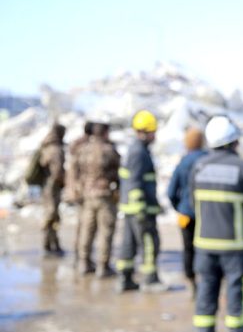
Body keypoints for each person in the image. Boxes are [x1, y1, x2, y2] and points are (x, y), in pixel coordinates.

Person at [190, 116, 243, 332]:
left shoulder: (198, 167)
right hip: (236, 245)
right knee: (236, 289)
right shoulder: (242, 168)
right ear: (233, 142)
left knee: (206, 287)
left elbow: (193, 204)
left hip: (204, 244)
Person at [116, 110, 166, 293]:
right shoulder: (139, 152)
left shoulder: (135, 149)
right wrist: (142, 209)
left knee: (129, 243)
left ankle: (126, 279)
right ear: (144, 132)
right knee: (149, 243)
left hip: (131, 208)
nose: (155, 135)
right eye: (152, 132)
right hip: (140, 209)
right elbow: (135, 182)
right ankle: (151, 280)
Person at [75, 121, 120, 277]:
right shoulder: (109, 150)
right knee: (105, 231)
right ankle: (103, 265)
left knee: (87, 230)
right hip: (104, 195)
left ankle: (84, 262)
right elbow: (118, 172)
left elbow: (76, 170)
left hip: (87, 195)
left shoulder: (83, 150)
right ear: (105, 133)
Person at [167, 127, 208, 298]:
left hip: (185, 214)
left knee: (188, 248)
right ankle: (207, 280)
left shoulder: (183, 162)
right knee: (204, 248)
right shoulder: (207, 160)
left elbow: (171, 191)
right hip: (205, 213)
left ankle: (191, 281)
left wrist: (180, 207)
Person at [65, 120, 93, 267]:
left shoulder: (77, 144)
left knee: (82, 225)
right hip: (84, 190)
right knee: (86, 225)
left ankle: (80, 255)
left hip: (78, 188)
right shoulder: (86, 146)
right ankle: (82, 258)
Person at [39, 123, 67, 257]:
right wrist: (63, 182)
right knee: (52, 215)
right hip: (52, 187)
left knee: (51, 215)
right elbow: (57, 172)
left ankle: (52, 243)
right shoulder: (56, 149)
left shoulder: (45, 147)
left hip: (46, 186)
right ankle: (49, 244)